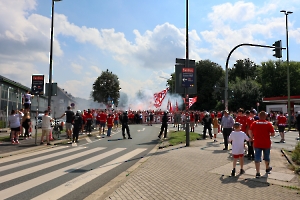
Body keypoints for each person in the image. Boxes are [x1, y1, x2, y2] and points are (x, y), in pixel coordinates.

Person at [249, 111, 275, 178]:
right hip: (266, 143)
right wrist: (268, 134)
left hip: (257, 143)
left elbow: (250, 131)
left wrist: (252, 137)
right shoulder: (268, 124)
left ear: (259, 116)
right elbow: (273, 134)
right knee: (266, 157)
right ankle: (267, 168)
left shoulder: (254, 123)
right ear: (265, 116)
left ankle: (257, 172)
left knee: (257, 157)